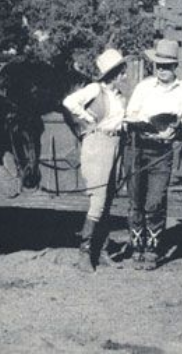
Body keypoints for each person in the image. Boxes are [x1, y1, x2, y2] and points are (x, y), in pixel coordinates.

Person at [124, 39, 182, 270]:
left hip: (162, 151)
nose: (162, 70)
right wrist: (143, 122)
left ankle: (153, 249)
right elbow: (130, 114)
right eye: (158, 65)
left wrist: (177, 125)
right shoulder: (143, 87)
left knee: (155, 201)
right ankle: (137, 247)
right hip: (136, 148)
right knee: (135, 200)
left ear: (175, 67)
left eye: (167, 66)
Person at [62, 48, 128, 273]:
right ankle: (85, 253)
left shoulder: (118, 95)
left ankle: (103, 251)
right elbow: (70, 102)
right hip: (97, 144)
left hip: (116, 144)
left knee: (109, 199)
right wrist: (89, 119)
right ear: (114, 72)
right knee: (98, 200)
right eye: (121, 70)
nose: (124, 74)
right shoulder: (94, 89)